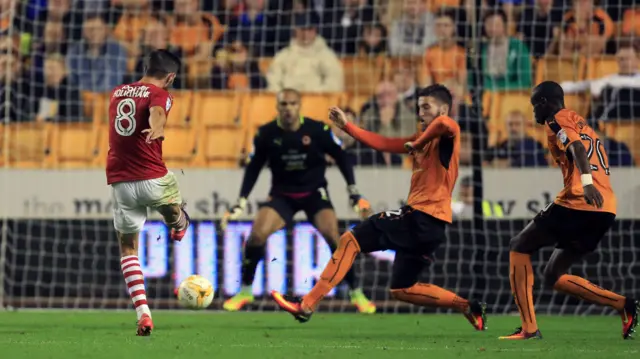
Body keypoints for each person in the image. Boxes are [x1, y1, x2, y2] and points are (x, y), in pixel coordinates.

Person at [270, 84, 487, 330]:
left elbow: (444, 124)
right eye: (418, 108)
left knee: (350, 240)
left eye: (426, 107)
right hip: (432, 227)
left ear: (444, 108)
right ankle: (468, 306)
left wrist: (418, 143)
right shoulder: (420, 139)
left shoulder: (448, 132)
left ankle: (307, 304)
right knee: (402, 289)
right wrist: (347, 127)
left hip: (421, 217)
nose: (421, 113)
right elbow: (383, 142)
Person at [499, 81, 639, 340]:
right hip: (605, 209)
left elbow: (576, 148)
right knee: (552, 274)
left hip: (579, 201)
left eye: (534, 107)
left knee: (519, 245)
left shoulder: (556, 120)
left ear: (544, 103)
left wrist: (586, 185)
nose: (533, 115)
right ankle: (624, 305)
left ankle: (529, 328)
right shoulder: (580, 121)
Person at [221, 88, 376, 313]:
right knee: (256, 236)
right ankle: (245, 290)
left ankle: (356, 292)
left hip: (314, 193)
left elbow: (342, 157)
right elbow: (254, 167)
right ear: (277, 107)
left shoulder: (318, 130)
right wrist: (241, 200)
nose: (288, 109)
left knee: (336, 238)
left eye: (293, 104)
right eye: (284, 104)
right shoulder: (266, 133)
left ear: (299, 106)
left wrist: (353, 192)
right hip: (283, 195)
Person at [107, 49, 190, 337]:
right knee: (174, 206)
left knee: (128, 248)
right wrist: (158, 128)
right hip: (153, 177)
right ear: (170, 77)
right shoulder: (161, 93)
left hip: (120, 181)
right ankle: (178, 224)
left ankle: (143, 313)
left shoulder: (118, 92)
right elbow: (157, 112)